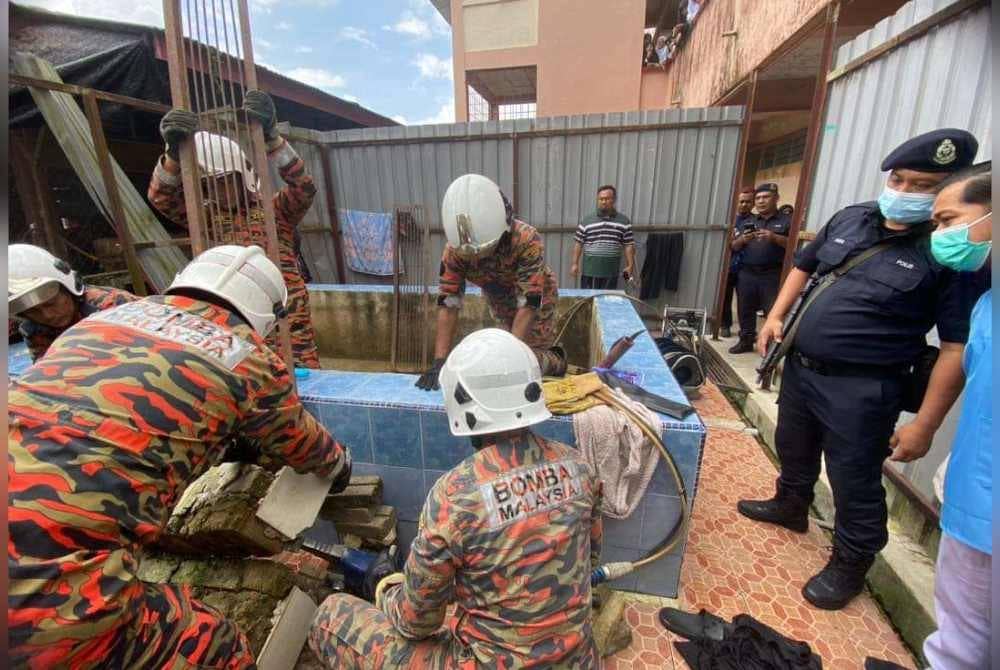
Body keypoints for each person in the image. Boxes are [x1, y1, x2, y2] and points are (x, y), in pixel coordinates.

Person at [8, 244, 352, 668]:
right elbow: (305, 446)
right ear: (267, 313)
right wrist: (339, 467)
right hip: (45, 607)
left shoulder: (99, 321)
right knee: (215, 642)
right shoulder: (247, 357)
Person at [737, 128, 985, 610]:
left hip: (865, 387)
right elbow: (804, 268)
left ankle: (851, 561)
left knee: (853, 477)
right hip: (803, 370)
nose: (905, 192)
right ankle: (791, 504)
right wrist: (776, 317)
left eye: (922, 186)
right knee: (793, 444)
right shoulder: (852, 219)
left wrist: (925, 426)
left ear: (945, 190)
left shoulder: (949, 250)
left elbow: (956, 347)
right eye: (899, 179)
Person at [309, 328, 603, 669]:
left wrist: (386, 586)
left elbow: (416, 622)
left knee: (331, 616)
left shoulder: (456, 495)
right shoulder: (579, 467)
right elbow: (591, 560)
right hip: (578, 660)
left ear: (461, 403)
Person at [148, 89, 322, 369]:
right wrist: (173, 155)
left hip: (288, 324)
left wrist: (272, 139)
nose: (219, 190)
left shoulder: (275, 211)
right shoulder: (206, 219)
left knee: (302, 385)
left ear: (243, 175)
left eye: (226, 180)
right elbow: (161, 198)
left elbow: (304, 187)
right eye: (211, 183)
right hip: (236, 323)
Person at [921, 167, 991, 670]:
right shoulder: (987, 304)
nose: (941, 236)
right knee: (960, 632)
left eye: (949, 220)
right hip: (973, 494)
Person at [415, 174, 565, 391]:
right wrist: (439, 362)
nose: (476, 260)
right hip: (498, 297)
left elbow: (529, 302)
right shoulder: (454, 252)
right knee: (503, 358)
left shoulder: (525, 240)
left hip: (536, 299)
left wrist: (513, 358)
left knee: (525, 360)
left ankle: (557, 360)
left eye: (484, 252)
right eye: (471, 257)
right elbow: (448, 304)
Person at [8, 243, 137, 362]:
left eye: (51, 304)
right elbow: (48, 372)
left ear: (69, 290)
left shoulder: (114, 306)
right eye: (33, 312)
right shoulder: (34, 331)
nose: (48, 315)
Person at [728, 183, 790, 354]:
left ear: (776, 198)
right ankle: (746, 341)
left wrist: (774, 237)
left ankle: (769, 346)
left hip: (772, 274)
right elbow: (734, 246)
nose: (761, 201)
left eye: (766, 197)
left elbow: (794, 246)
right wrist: (743, 240)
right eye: (758, 198)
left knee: (772, 310)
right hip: (747, 273)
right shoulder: (749, 221)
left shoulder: (786, 221)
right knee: (744, 309)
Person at [571, 184, 636, 290]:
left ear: (614, 200)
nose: (603, 201)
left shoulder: (624, 222)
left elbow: (628, 245)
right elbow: (578, 243)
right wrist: (574, 264)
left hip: (611, 272)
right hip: (590, 271)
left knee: (607, 301)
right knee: (588, 301)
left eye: (607, 199)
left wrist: (630, 265)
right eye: (601, 199)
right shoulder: (587, 221)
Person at [721, 188, 755, 338]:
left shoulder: (757, 221)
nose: (744, 204)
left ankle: (746, 331)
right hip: (729, 266)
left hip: (747, 267)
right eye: (741, 201)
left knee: (745, 301)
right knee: (725, 297)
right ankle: (724, 325)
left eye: (748, 202)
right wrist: (741, 240)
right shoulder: (730, 221)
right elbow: (729, 245)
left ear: (752, 203)